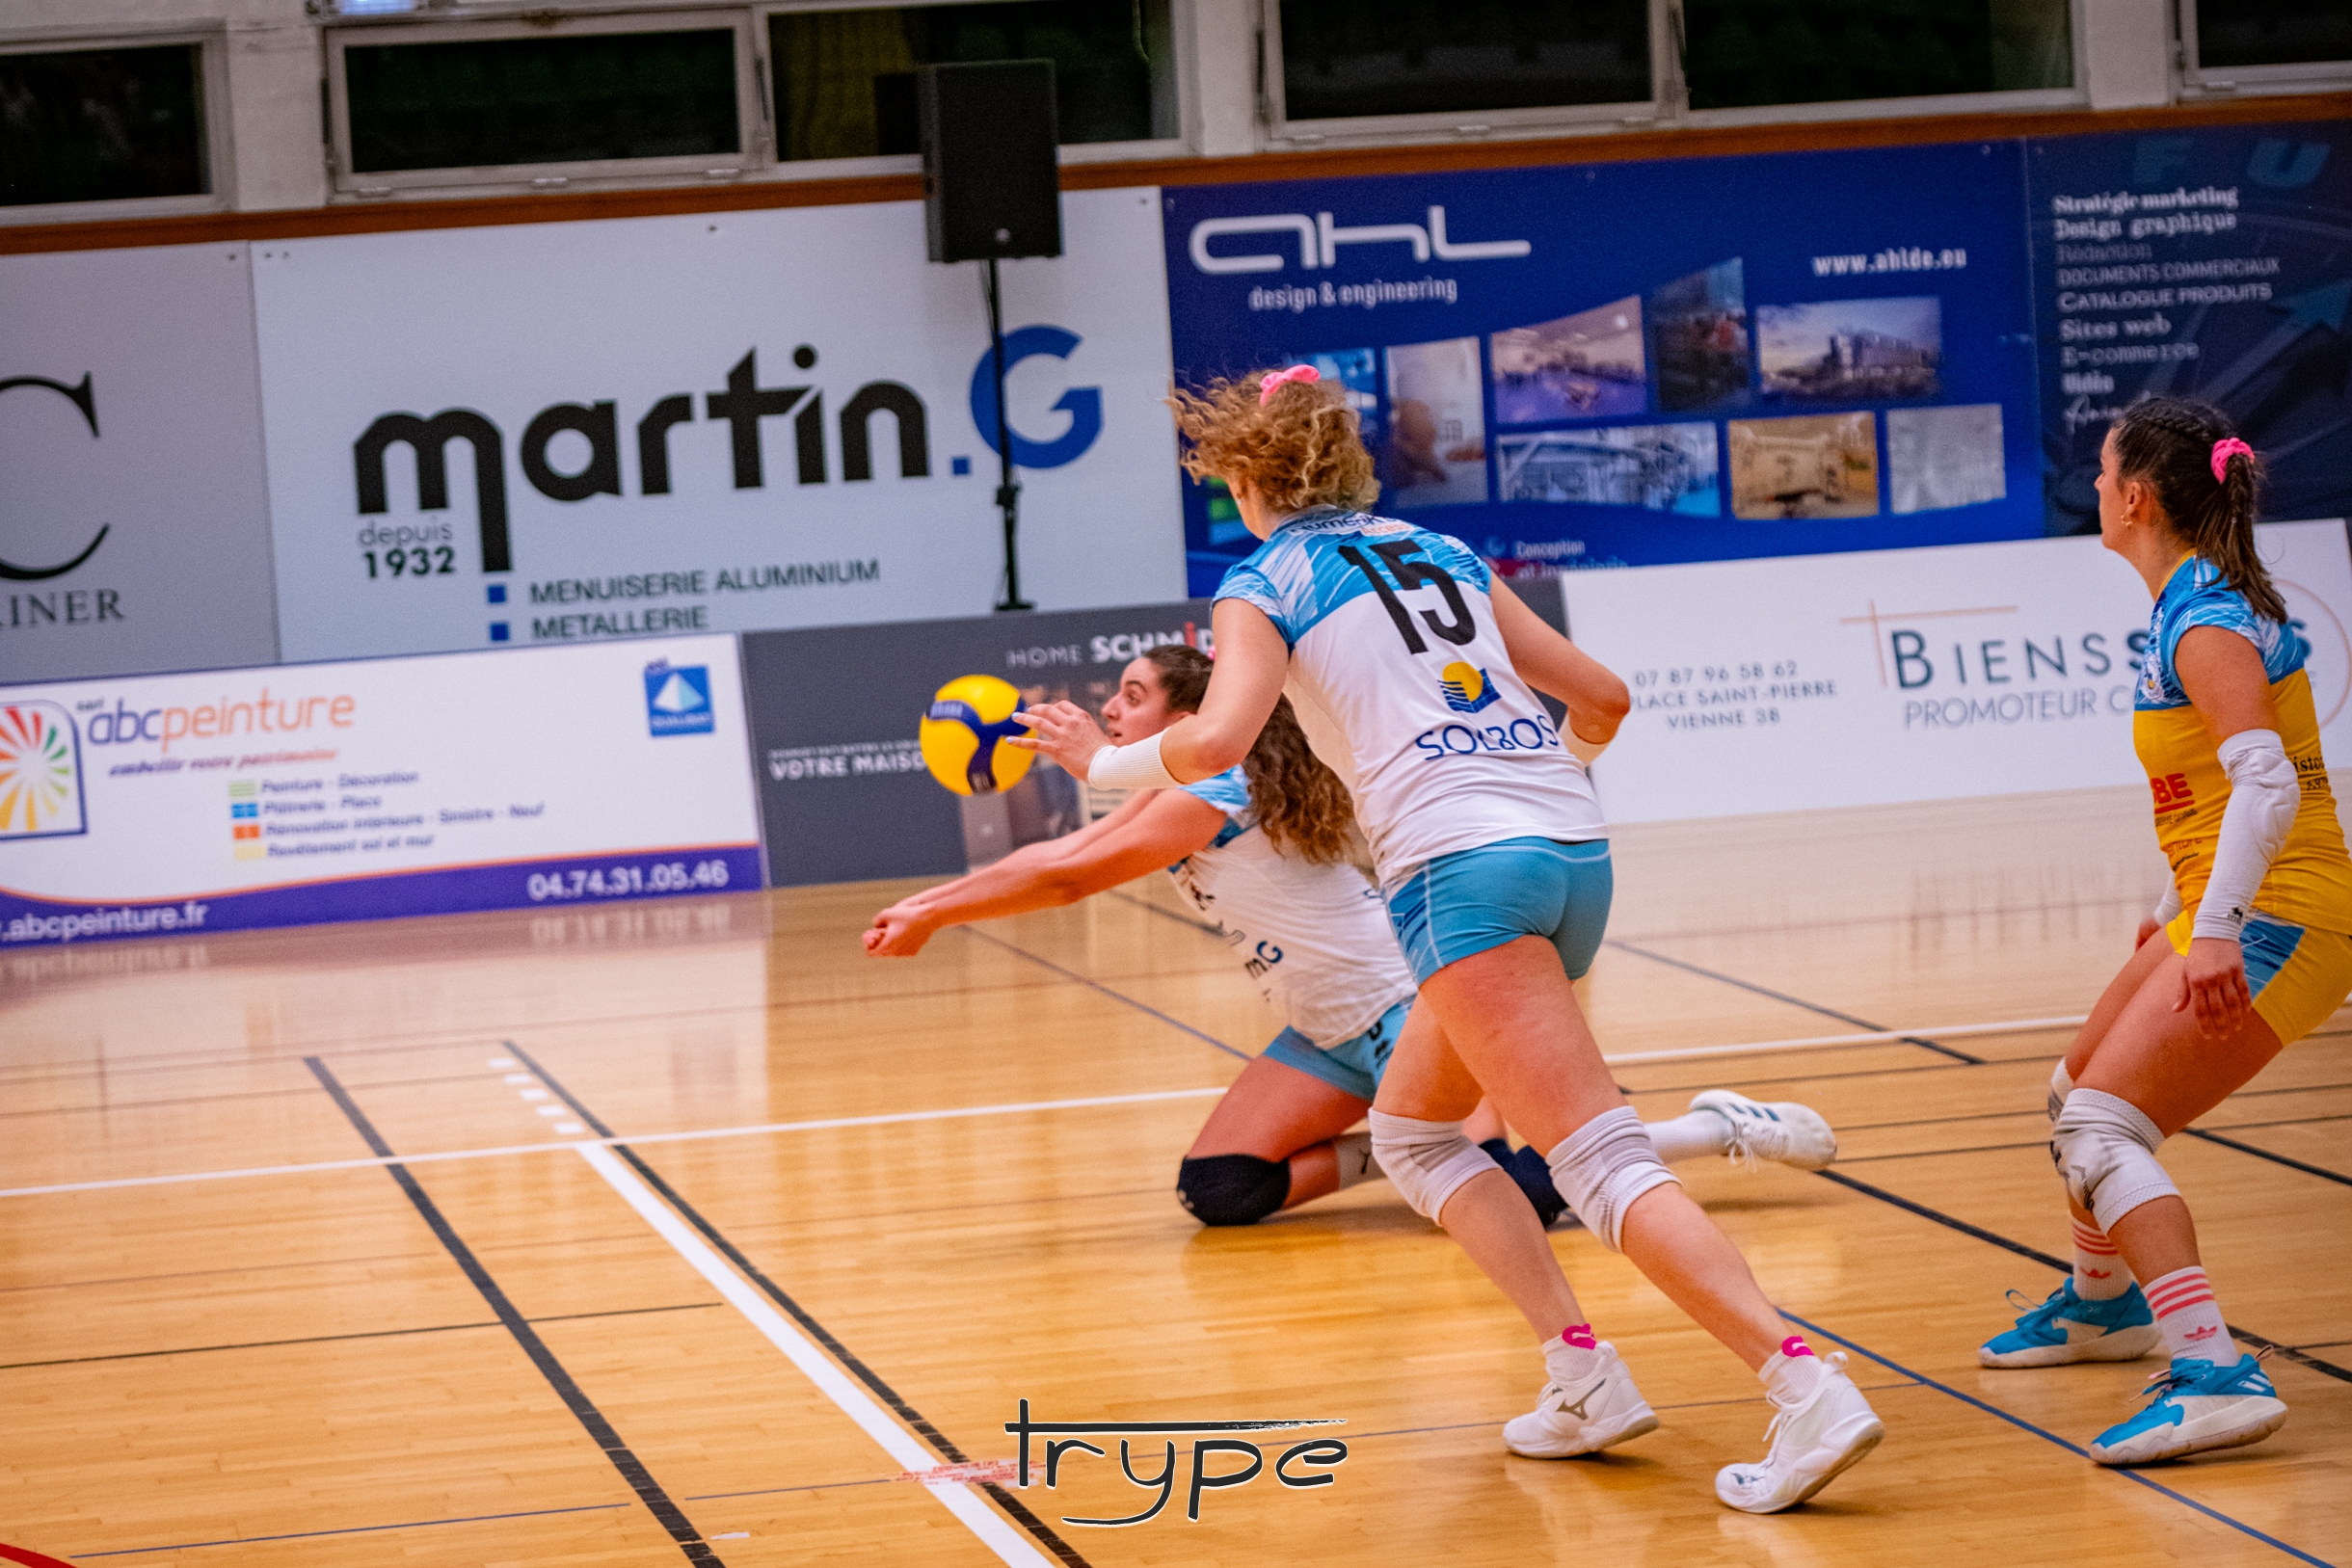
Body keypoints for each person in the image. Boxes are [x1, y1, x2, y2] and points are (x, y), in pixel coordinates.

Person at [1013, 365, 1883, 1515]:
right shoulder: (1443, 552)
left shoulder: (1261, 581)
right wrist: (1535, 786)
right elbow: (1604, 698)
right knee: (1414, 1134)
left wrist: (1100, 762)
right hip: (1569, 850)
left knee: (1595, 1159)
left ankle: (1803, 1384)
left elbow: (1217, 739)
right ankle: (1582, 1375)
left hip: (1459, 870)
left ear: (1244, 476)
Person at [864, 643, 1838, 1229]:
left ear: (1188, 718)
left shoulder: (1215, 789)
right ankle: (1401, 1150)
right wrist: (926, 902)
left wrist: (934, 916)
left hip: (1407, 1009)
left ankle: (1714, 1127)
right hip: (1327, 1034)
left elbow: (1072, 877)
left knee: (1524, 1194)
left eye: (1129, 694)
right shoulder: (1166, 792)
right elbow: (1065, 849)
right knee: (1222, 1188)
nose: (1108, 708)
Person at [1976, 399, 2346, 1464]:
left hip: (2284, 914)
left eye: (2102, 473)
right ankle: (2105, 1303)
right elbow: (2208, 790)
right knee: (2071, 1093)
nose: (2093, 487)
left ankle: (2212, 1371)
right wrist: (2176, 903)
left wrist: (2216, 926)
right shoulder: (2192, 598)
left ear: (2136, 498)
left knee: (2101, 1129)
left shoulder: (2204, 619)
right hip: (2228, 902)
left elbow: (2267, 785)